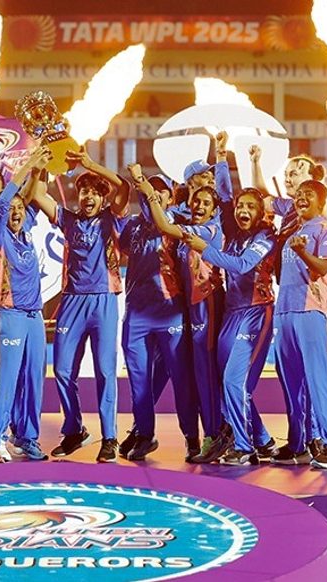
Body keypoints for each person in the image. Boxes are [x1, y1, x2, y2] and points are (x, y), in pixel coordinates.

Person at [29, 149, 130, 463]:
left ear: (102, 198)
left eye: (94, 193)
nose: (88, 196)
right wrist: (40, 164)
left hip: (104, 300)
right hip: (72, 300)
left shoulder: (110, 218)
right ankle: (74, 429)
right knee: (62, 370)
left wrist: (89, 164)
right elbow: (37, 194)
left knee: (105, 371)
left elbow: (124, 187)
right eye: (84, 191)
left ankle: (110, 438)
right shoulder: (68, 219)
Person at [183, 185, 279, 466]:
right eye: (240, 206)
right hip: (231, 314)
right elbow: (225, 195)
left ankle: (244, 447)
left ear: (260, 212)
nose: (243, 211)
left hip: (256, 313)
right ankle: (263, 440)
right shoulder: (233, 235)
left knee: (234, 382)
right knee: (228, 384)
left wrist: (205, 250)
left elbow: (243, 265)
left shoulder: (266, 237)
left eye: (250, 207)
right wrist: (222, 161)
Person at [145, 137, 228, 453]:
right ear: (191, 185)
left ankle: (216, 434)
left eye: (211, 178)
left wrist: (144, 188)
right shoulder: (183, 212)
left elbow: (167, 224)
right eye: (204, 177)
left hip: (206, 301)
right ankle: (152, 431)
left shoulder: (211, 222)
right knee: (188, 373)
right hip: (181, 307)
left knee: (207, 370)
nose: (210, 182)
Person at [122, 167, 201, 462]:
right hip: (136, 313)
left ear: (170, 198)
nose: (153, 194)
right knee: (139, 380)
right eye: (149, 190)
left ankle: (192, 438)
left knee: (181, 379)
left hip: (170, 312)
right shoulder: (133, 225)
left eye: (161, 191)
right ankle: (144, 435)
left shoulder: (178, 222)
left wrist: (141, 181)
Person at [0, 146, 53, 464]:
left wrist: (40, 169)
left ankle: (26, 437)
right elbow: (5, 200)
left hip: (34, 315)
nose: (15, 212)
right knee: (7, 379)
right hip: (8, 313)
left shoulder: (25, 233)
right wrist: (29, 163)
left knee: (34, 379)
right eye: (10, 208)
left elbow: (32, 195)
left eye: (20, 208)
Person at [269, 179, 327, 469]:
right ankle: (298, 444)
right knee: (291, 383)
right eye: (298, 194)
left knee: (317, 380)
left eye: (308, 194)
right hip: (284, 311)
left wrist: (302, 252)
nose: (301, 198)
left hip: (313, 310)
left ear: (321, 202)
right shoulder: (292, 232)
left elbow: (324, 267)